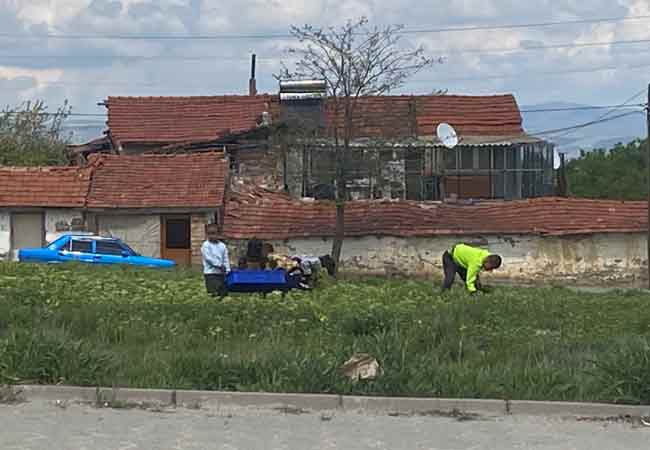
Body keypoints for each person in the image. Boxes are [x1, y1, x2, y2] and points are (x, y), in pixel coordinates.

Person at [201, 224, 231, 297]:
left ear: (218, 234)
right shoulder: (206, 245)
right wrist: (219, 265)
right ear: (206, 234)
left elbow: (225, 258)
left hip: (221, 273)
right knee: (213, 293)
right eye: (209, 234)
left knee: (223, 292)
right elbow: (208, 258)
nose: (212, 236)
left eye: (214, 233)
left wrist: (227, 270)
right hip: (210, 273)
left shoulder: (222, 246)